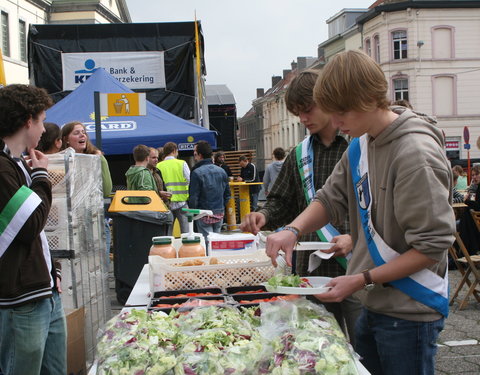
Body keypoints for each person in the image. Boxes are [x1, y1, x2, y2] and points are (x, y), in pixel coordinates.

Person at [265, 50, 455, 375]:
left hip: (410, 309)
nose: (336, 124)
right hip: (374, 300)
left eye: (342, 113)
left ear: (369, 100)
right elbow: (329, 197)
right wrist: (292, 230)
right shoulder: (361, 143)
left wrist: (361, 279)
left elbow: (431, 247)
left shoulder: (414, 155)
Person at [240, 69, 360, 346]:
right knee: (320, 349)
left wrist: (357, 237)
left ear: (328, 100)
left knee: (363, 348)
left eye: (308, 110)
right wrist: (263, 215)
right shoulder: (299, 153)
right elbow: (282, 201)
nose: (303, 119)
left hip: (356, 264)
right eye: (297, 113)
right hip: (312, 271)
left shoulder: (358, 145)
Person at [0, 84, 66, 375]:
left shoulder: (15, 163)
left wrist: (53, 270)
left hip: (43, 291)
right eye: (41, 120)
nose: (43, 129)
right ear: (28, 121)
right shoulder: (3, 168)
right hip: (21, 298)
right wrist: (42, 177)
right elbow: (28, 225)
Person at [60, 121, 113, 257]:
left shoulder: (96, 158)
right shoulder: (62, 161)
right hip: (72, 225)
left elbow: (107, 190)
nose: (82, 135)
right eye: (76, 133)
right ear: (66, 139)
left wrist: (100, 160)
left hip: (95, 220)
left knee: (99, 266)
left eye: (83, 132)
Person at [189, 141, 231, 243]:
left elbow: (194, 197)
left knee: (207, 242)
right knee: (216, 243)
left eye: (195, 153)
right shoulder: (221, 171)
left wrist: (194, 211)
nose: (194, 156)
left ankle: (210, 258)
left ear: (200, 155)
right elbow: (227, 194)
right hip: (219, 212)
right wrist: (221, 207)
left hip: (203, 213)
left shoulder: (197, 173)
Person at [157, 142, 190, 234]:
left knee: (167, 233)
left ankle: (168, 248)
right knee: (186, 232)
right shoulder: (182, 163)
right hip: (182, 202)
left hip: (166, 203)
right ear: (174, 151)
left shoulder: (159, 165)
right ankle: (186, 248)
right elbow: (189, 180)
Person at [458, 164, 480, 254]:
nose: (474, 177)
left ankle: (466, 251)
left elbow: (478, 206)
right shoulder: (477, 187)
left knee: (463, 221)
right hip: (476, 221)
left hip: (477, 222)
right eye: (473, 175)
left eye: (476, 174)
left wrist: (467, 201)